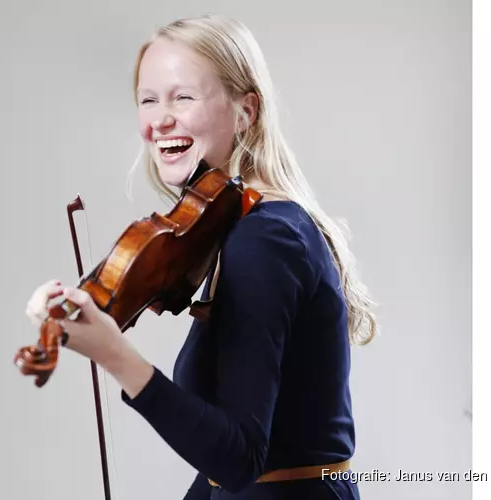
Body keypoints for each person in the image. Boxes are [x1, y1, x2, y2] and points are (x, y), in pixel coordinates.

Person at [24, 14, 378, 500]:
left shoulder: (266, 237)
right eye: (148, 100)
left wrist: (115, 354)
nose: (159, 118)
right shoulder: (239, 226)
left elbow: (239, 460)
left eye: (182, 96)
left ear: (245, 110)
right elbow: (223, 470)